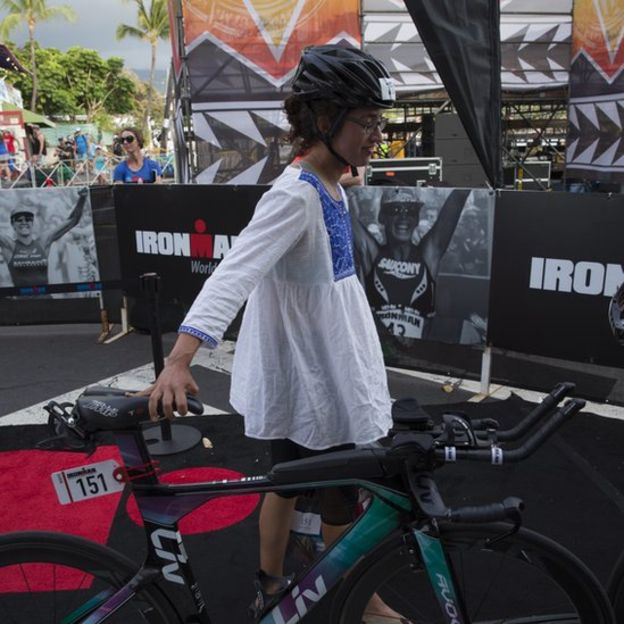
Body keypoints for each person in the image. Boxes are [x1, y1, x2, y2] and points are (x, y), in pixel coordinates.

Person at [142, 44, 408, 622]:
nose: (376, 136)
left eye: (377, 123)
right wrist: (181, 358)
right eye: (366, 122)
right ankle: (362, 604)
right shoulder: (294, 195)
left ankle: (269, 581)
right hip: (317, 377)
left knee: (286, 480)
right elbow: (233, 273)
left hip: (316, 367)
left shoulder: (331, 184)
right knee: (340, 489)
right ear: (324, 119)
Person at [355, 186, 470, 340]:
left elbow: (458, 197)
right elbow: (339, 210)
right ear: (382, 217)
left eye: (411, 211)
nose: (404, 217)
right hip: (380, 349)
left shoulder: (429, 254)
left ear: (416, 219)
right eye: (395, 210)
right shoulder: (372, 254)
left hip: (420, 351)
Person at [0, 188, 87, 288]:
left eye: (28, 219)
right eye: (19, 220)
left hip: (45, 296)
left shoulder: (43, 242)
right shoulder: (9, 245)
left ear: (32, 223)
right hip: (22, 297)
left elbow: (72, 220)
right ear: (13, 224)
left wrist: (82, 198)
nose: (24, 222)